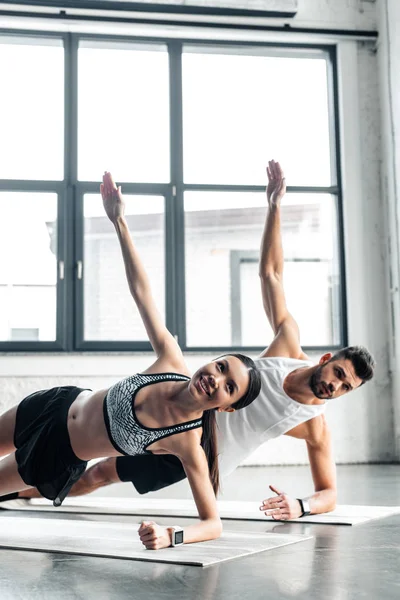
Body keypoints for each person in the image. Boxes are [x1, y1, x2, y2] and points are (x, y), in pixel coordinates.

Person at [5, 161, 375, 521]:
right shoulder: (286, 348)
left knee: (98, 474)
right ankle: (15, 487)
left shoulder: (313, 423)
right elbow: (271, 274)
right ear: (327, 358)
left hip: (189, 446)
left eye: (345, 387)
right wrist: (274, 206)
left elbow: (330, 492)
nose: (334, 385)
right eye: (338, 372)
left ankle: (18, 491)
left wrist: (301, 505)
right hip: (167, 407)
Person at [0, 171, 262, 550]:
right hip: (55, 402)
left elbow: (213, 523)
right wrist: (118, 220)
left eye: (228, 387)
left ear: (228, 407)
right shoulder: (171, 360)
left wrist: (172, 535)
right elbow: (143, 292)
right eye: (221, 366)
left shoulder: (187, 443)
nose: (215, 379)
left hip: (57, 452)